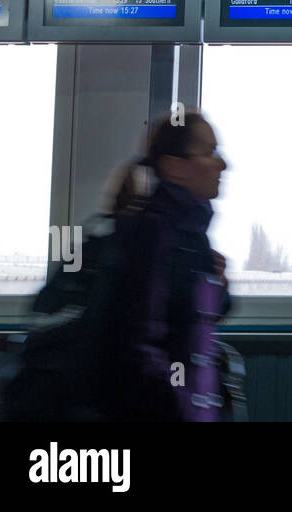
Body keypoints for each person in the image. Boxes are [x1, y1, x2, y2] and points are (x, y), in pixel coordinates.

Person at [95, 109, 234, 421]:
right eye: (210, 152)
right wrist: (181, 405)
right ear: (175, 167)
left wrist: (220, 285)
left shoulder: (191, 234)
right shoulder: (154, 233)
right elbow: (141, 345)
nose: (223, 165)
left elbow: (198, 317)